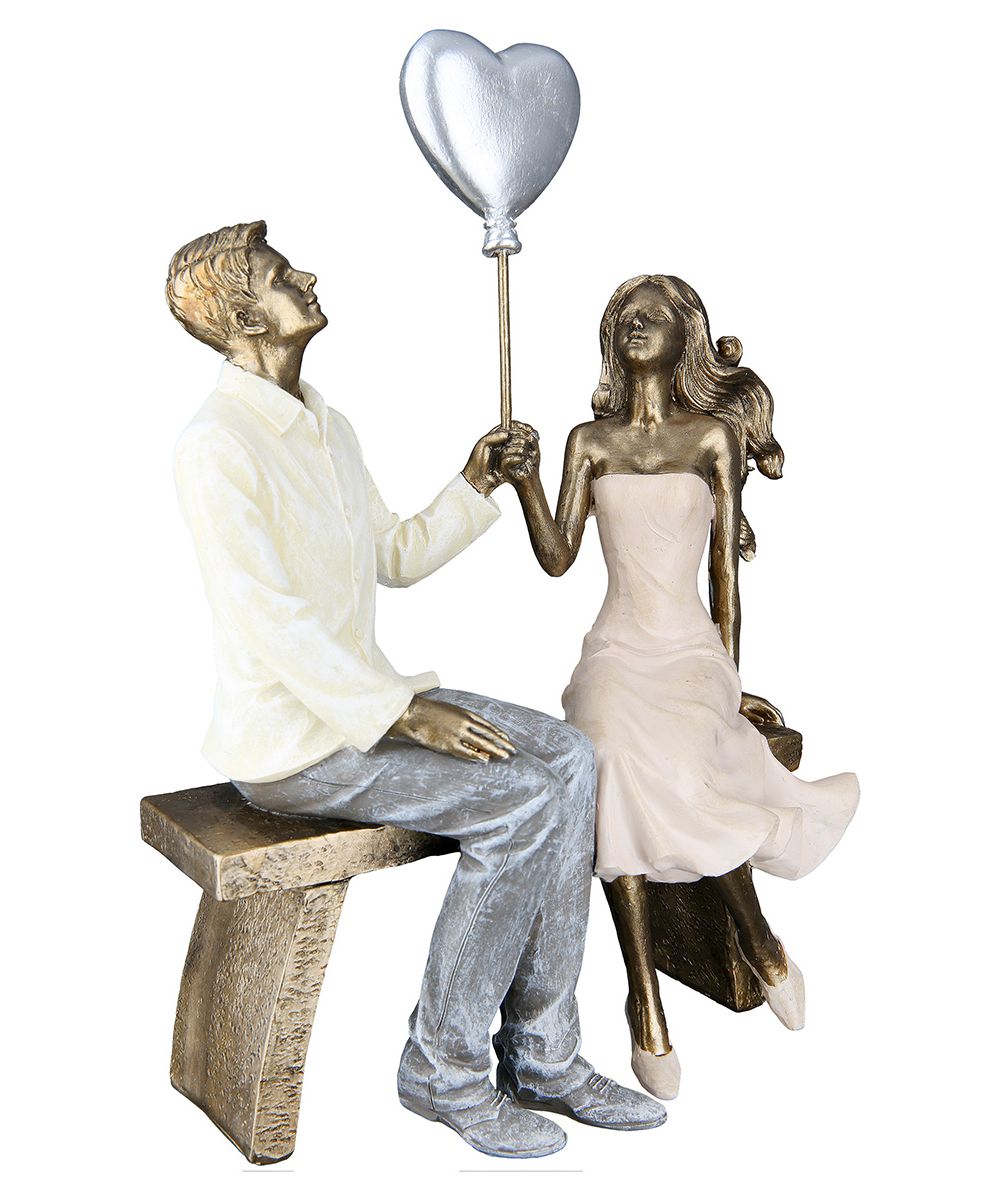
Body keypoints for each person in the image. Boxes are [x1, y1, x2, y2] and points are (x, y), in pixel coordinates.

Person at [165, 222, 666, 1159]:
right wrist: (404, 712)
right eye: (280, 274)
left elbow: (391, 554)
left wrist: (476, 482)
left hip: (359, 713)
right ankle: (444, 1068)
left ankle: (545, 1057)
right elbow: (272, 623)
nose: (306, 275)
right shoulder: (216, 446)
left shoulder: (325, 425)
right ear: (245, 317)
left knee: (569, 757)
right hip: (297, 747)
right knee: (522, 800)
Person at [499, 274, 859, 1101]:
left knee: (682, 760)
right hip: (614, 652)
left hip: (690, 651)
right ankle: (645, 997)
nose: (636, 324)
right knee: (609, 757)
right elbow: (557, 558)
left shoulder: (712, 439)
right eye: (624, 315)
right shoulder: (588, 441)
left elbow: (724, 576)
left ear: (684, 337)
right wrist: (524, 483)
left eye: (653, 316)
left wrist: (729, 681)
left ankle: (758, 940)